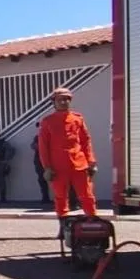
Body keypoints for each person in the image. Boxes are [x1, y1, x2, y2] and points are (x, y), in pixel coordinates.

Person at [37, 87, 98, 221]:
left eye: (66, 99)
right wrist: (47, 167)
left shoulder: (77, 119)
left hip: (79, 164)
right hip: (58, 167)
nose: (63, 102)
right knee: (60, 197)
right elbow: (43, 147)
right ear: (54, 102)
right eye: (60, 100)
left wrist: (91, 162)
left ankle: (92, 221)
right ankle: (63, 224)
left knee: (87, 195)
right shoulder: (47, 121)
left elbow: (86, 141)